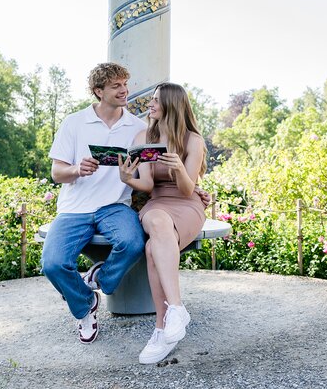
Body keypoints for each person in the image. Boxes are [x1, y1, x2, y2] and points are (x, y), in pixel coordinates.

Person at [41, 62, 147, 344]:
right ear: (98, 91)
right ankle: (85, 305)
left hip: (115, 207)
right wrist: (78, 169)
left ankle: (102, 280)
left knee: (133, 242)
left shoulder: (138, 127)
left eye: (125, 84)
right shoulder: (74, 123)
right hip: (74, 208)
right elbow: (56, 173)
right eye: (116, 86)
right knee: (52, 264)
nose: (124, 90)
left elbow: (152, 171)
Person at [118, 82, 207, 364]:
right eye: (151, 100)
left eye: (156, 100)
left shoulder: (193, 141)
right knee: (156, 220)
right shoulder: (145, 136)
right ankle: (177, 311)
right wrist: (127, 178)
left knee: (151, 250)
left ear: (171, 104)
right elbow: (146, 184)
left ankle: (161, 328)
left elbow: (185, 189)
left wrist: (179, 168)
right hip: (158, 202)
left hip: (186, 203)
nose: (150, 105)